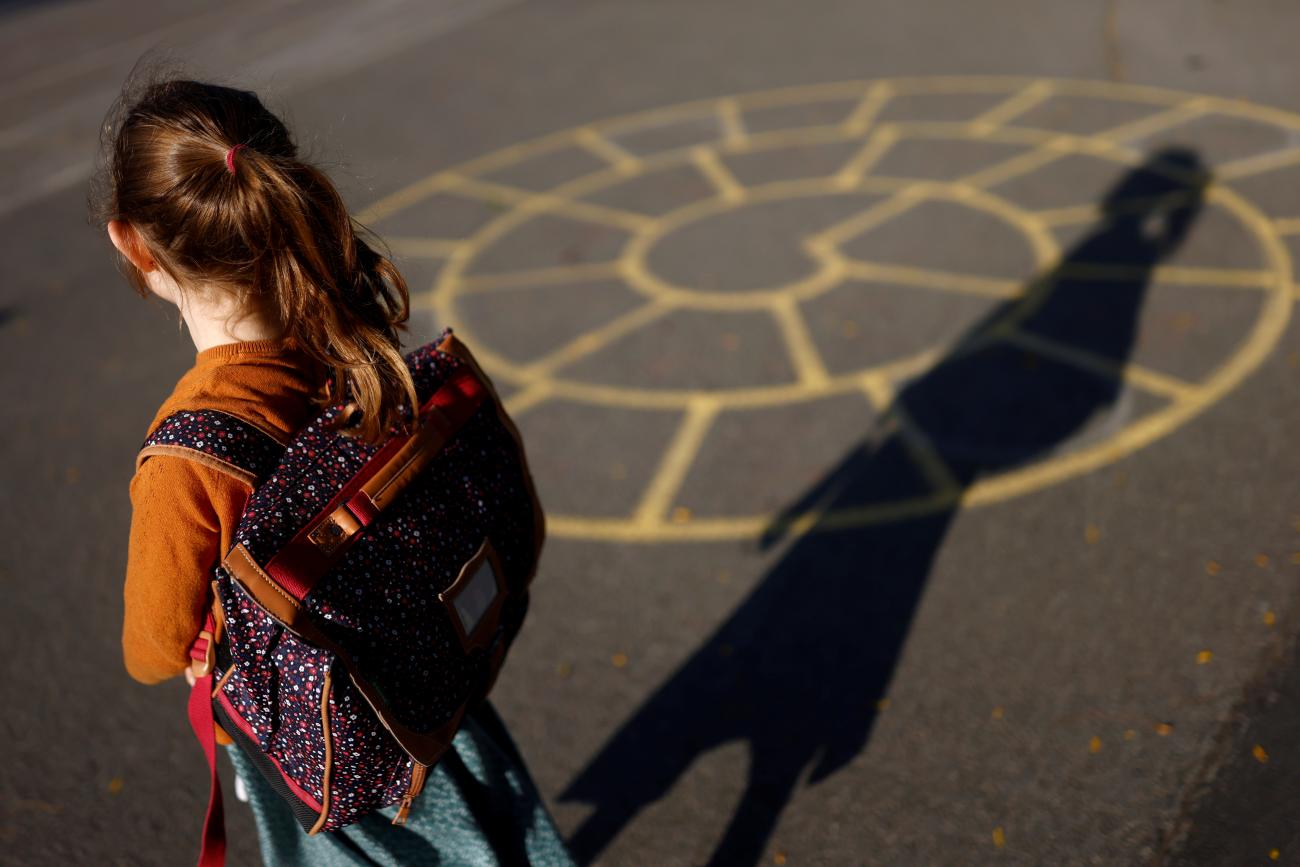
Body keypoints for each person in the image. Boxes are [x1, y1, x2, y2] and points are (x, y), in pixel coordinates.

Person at [95, 74, 575, 867]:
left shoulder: (189, 456)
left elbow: (151, 646)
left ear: (132, 242)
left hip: (334, 739)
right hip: (428, 679)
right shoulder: (349, 332)